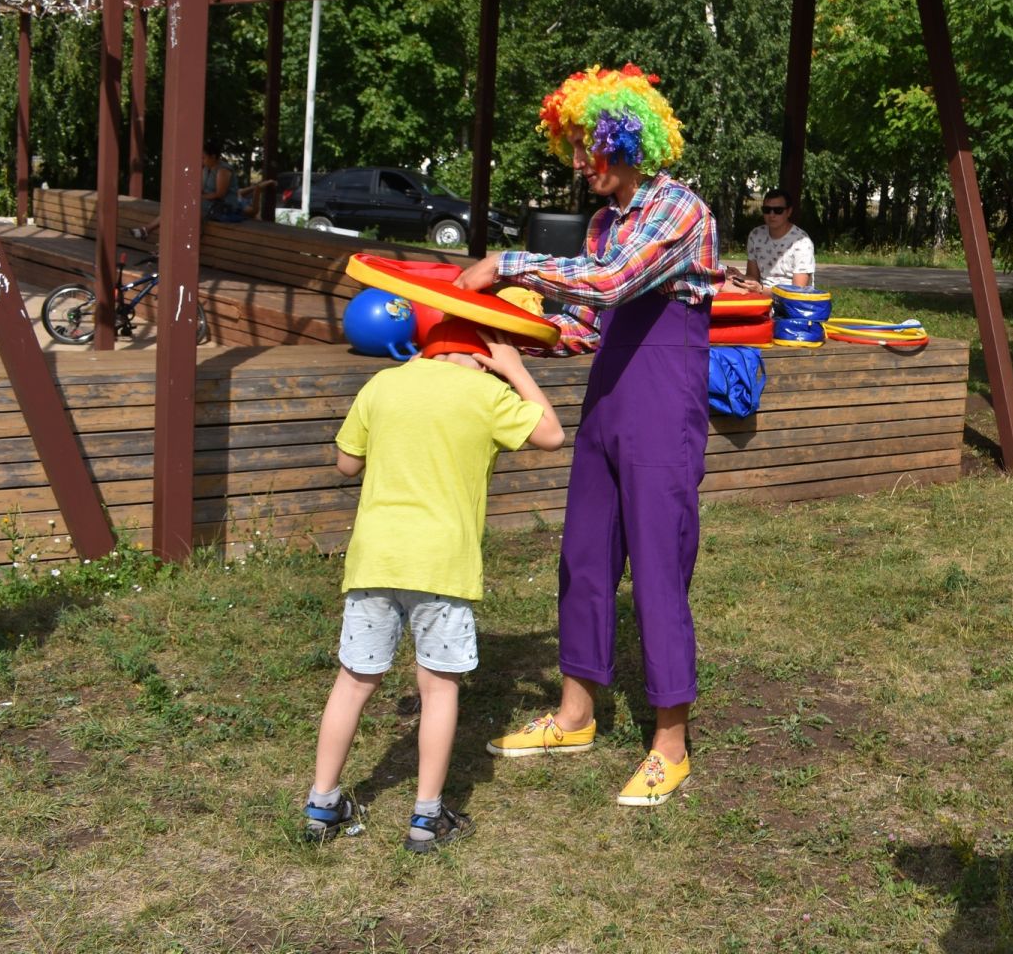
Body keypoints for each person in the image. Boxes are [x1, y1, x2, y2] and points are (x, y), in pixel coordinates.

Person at [457, 63, 722, 808]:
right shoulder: (607, 222)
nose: (578, 163)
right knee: (583, 557)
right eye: (572, 147)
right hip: (608, 405)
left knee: (660, 570)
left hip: (662, 410)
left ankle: (671, 744)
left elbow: (611, 284)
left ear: (623, 139)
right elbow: (588, 321)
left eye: (587, 147)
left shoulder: (680, 210)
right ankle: (575, 715)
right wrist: (515, 335)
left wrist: (510, 263)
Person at [303, 318, 565, 849]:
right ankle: (426, 818)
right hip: (442, 563)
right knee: (438, 689)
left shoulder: (383, 383)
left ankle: (322, 805)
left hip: (376, 558)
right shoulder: (487, 393)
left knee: (353, 681)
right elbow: (551, 436)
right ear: (485, 351)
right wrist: (515, 371)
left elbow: (346, 462)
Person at [739, 188, 814, 289]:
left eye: (778, 210)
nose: (771, 215)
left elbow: (797, 291)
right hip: (760, 295)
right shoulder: (755, 235)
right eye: (767, 210)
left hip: (789, 302)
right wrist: (740, 277)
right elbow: (753, 278)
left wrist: (761, 290)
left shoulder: (802, 242)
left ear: (789, 212)